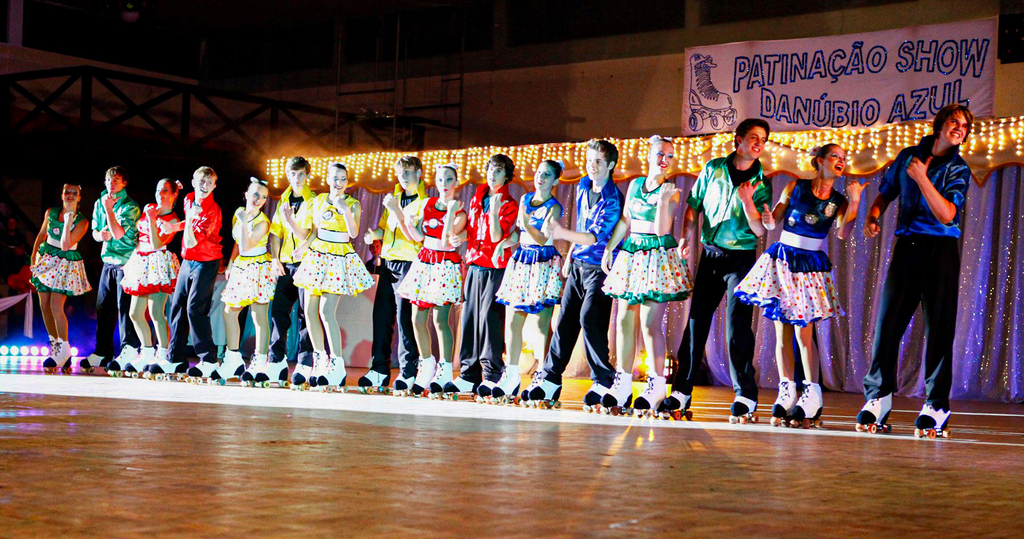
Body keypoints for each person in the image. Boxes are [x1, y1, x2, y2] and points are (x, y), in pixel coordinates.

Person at [856, 104, 973, 439]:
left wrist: (922, 180)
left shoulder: (958, 169)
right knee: (888, 322)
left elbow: (948, 214)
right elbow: (886, 193)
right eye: (954, 121)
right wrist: (873, 214)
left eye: (965, 126)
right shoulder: (909, 155)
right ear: (940, 125)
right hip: (907, 247)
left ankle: (936, 404)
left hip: (940, 251)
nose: (959, 128)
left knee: (939, 328)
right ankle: (878, 397)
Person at [734, 144, 864, 428]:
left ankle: (812, 392)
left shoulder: (839, 200)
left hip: (809, 265)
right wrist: (760, 213)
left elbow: (843, 233)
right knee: (781, 331)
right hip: (782, 259)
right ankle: (786, 389)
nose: (840, 161)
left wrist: (854, 202)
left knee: (804, 333)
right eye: (835, 157)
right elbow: (770, 224)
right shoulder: (795, 187)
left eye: (843, 158)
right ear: (819, 161)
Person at [658, 119, 773, 423]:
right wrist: (685, 235)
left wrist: (749, 202)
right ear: (738, 140)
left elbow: (759, 229)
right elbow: (694, 205)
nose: (758, 143)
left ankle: (745, 395)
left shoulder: (762, 181)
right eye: (752, 137)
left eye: (762, 139)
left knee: (737, 326)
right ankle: (681, 391)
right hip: (711, 255)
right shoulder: (713, 169)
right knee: (696, 323)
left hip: (742, 259)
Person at [520, 139, 624, 410]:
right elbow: (582, 224)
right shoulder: (583, 186)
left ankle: (603, 379)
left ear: (611, 165)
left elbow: (596, 236)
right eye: (590, 160)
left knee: (590, 318)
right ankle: (551, 380)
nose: (592, 166)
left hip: (601, 267)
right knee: (565, 320)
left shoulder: (613, 198)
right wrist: (569, 254)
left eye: (599, 161)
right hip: (578, 264)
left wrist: (561, 234)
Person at [600, 136, 694, 415]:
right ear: (649, 156)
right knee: (623, 320)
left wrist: (664, 202)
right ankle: (623, 383)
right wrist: (610, 248)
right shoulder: (635, 185)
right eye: (660, 154)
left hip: (656, 256)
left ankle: (656, 384)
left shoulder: (672, 191)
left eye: (669, 155)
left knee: (649, 323)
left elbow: (663, 230)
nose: (664, 159)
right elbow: (626, 220)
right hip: (632, 254)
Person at [288, 162, 375, 390]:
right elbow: (314, 231)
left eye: (343, 179)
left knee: (326, 312)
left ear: (347, 182)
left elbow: (353, 232)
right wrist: (303, 247)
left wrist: (344, 208)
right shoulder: (317, 201)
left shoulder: (353, 204)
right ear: (328, 179)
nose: (338, 183)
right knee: (308, 312)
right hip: (317, 255)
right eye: (335, 178)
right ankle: (320, 360)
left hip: (337, 257)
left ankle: (337, 365)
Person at [446, 154, 519, 399]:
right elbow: (473, 230)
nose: (492, 174)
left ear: (507, 176)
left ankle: (492, 374)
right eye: (490, 169)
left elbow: (498, 236)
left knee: (490, 320)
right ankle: (468, 374)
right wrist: (461, 237)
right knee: (469, 317)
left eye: (498, 171)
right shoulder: (478, 195)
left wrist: (496, 209)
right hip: (475, 264)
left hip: (496, 267)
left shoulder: (509, 203)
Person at [492, 159, 565, 403]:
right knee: (513, 320)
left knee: (540, 324)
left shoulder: (554, 207)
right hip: (522, 259)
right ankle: (511, 375)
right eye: (538, 173)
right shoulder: (525, 200)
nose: (540, 177)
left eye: (547, 175)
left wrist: (525, 222)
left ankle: (544, 377)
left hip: (542, 260)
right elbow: (518, 232)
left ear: (555, 181)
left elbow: (544, 238)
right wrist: (503, 244)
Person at [395, 163, 467, 397]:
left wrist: (450, 212)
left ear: (456, 183)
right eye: (440, 180)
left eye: (449, 180)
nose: (444, 185)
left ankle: (445, 369)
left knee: (440, 321)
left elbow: (448, 240)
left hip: (445, 264)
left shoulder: (460, 211)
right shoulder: (426, 204)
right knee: (416, 319)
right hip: (425, 261)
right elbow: (418, 237)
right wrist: (405, 221)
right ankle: (427, 365)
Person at [146, 166, 223, 380]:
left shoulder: (212, 210)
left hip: (206, 261)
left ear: (214, 186)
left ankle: (208, 359)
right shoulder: (189, 199)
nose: (204, 186)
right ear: (194, 182)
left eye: (209, 183)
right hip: (188, 260)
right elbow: (187, 227)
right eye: (201, 181)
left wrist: (185, 222)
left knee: (195, 309)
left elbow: (192, 239)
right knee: (177, 306)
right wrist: (175, 227)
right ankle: (176, 358)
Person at [359, 156, 427, 393]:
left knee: (405, 320)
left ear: (419, 173)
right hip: (388, 263)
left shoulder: (425, 202)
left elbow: (415, 236)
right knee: (382, 316)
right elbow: (384, 227)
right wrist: (373, 235)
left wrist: (396, 211)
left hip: (410, 264)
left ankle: (409, 371)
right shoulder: (394, 199)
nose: (404, 177)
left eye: (409, 172)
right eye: (400, 173)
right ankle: (379, 369)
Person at [119, 179, 183, 376]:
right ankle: (146, 351)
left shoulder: (172, 219)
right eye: (158, 189)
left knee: (156, 312)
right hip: (142, 261)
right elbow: (141, 237)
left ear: (173, 195)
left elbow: (156, 243)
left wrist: (152, 218)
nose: (160, 193)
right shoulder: (151, 210)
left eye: (165, 190)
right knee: (135, 313)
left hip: (158, 263)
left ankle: (163, 353)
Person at [81, 166, 141, 373]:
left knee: (125, 309)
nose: (111, 183)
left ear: (124, 183)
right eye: (108, 180)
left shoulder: (130, 205)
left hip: (126, 263)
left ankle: (129, 349)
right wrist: (99, 235)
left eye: (116, 180)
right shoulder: (100, 202)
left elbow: (119, 234)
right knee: (103, 307)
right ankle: (102, 351)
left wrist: (109, 210)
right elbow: (96, 231)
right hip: (108, 263)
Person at [221, 178, 277, 385]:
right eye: (255, 194)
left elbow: (246, 245)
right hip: (241, 266)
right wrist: (230, 263)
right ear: (246, 194)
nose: (259, 199)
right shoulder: (240, 213)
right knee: (229, 311)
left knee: (258, 315)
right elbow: (237, 243)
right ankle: (233, 358)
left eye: (263, 197)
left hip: (258, 266)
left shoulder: (263, 222)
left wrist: (244, 221)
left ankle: (260, 361)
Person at [30, 184, 91, 373]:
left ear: (79, 197)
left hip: (65, 262)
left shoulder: (82, 221)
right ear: (62, 194)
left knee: (57, 306)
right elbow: (41, 235)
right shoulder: (51, 212)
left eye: (75, 193)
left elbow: (67, 244)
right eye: (67, 192)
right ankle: (55, 347)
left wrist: (68, 221)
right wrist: (34, 258)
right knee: (44, 305)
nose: (70, 196)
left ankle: (64, 348)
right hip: (46, 259)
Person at [266, 156, 315, 387]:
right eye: (292, 174)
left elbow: (309, 235)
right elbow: (276, 233)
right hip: (286, 264)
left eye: (301, 174)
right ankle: (277, 361)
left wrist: (291, 219)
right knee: (278, 313)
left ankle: (305, 364)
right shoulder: (283, 200)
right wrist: (275, 259)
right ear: (287, 175)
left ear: (307, 174)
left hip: (307, 264)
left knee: (306, 316)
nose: (296, 178)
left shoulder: (314, 201)